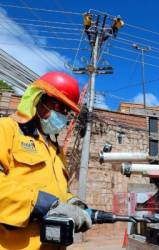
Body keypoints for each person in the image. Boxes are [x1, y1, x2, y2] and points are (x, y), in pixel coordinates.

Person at [0, 72, 92, 250]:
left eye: (67, 111)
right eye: (59, 106)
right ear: (38, 98)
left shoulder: (55, 150)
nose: (64, 115)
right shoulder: (7, 129)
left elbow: (57, 193)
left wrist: (73, 202)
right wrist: (47, 205)